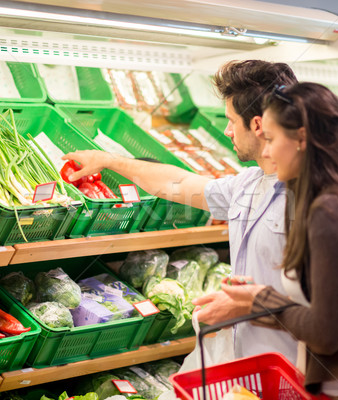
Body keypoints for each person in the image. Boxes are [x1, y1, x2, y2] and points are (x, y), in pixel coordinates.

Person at [62, 60, 300, 362]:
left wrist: (250, 306)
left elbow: (331, 313)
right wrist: (109, 161)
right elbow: (178, 182)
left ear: (256, 125)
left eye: (231, 120)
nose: (226, 130)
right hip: (250, 368)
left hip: (296, 372)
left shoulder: (311, 200)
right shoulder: (249, 185)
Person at [193, 82, 338, 399]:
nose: (266, 151)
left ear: (301, 140)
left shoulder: (329, 211)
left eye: (272, 139)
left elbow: (327, 333)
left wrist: (257, 299)